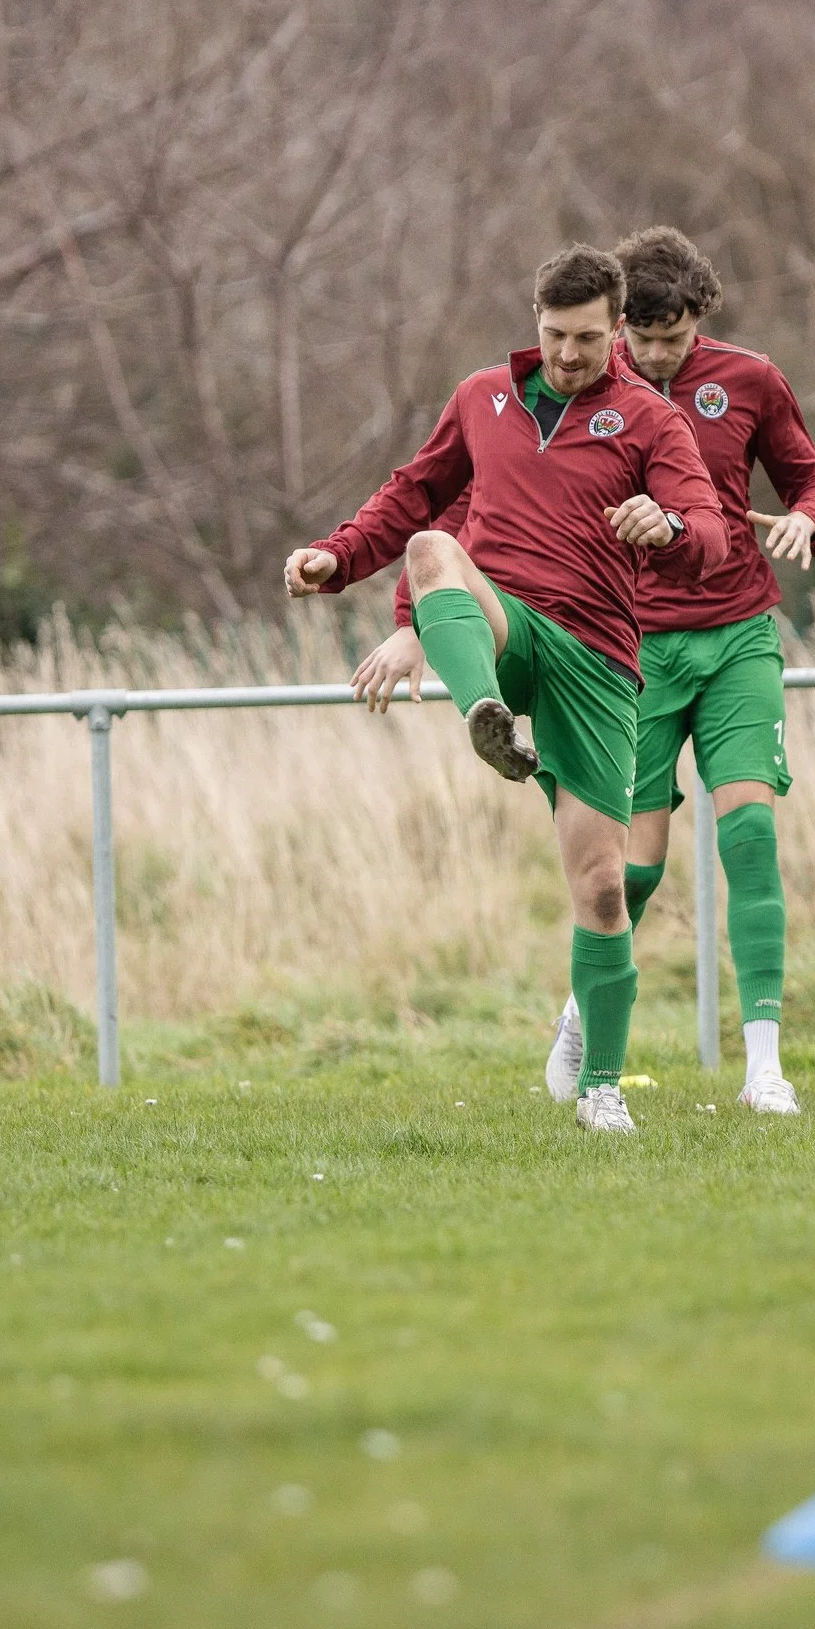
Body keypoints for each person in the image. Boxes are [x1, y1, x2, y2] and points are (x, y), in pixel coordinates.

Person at [352, 226, 815, 1115]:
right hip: (626, 643)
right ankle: (583, 1005)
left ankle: (762, 1067)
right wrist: (409, 623)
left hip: (730, 633)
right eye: (635, 342)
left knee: (739, 841)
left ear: (694, 322)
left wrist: (805, 515)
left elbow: (800, 483)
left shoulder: (733, 388)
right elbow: (450, 508)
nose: (652, 355)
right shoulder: (506, 399)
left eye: (671, 339)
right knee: (632, 869)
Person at [286, 245, 721, 1134]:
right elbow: (418, 492)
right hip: (507, 624)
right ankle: (485, 712)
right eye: (556, 336)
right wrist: (337, 559)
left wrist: (668, 521)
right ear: (536, 321)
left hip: (596, 661)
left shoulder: (650, 421)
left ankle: (600, 1084)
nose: (569, 355)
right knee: (432, 551)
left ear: (618, 329)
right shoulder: (484, 397)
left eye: (589, 339)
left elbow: (710, 532)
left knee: (603, 887)